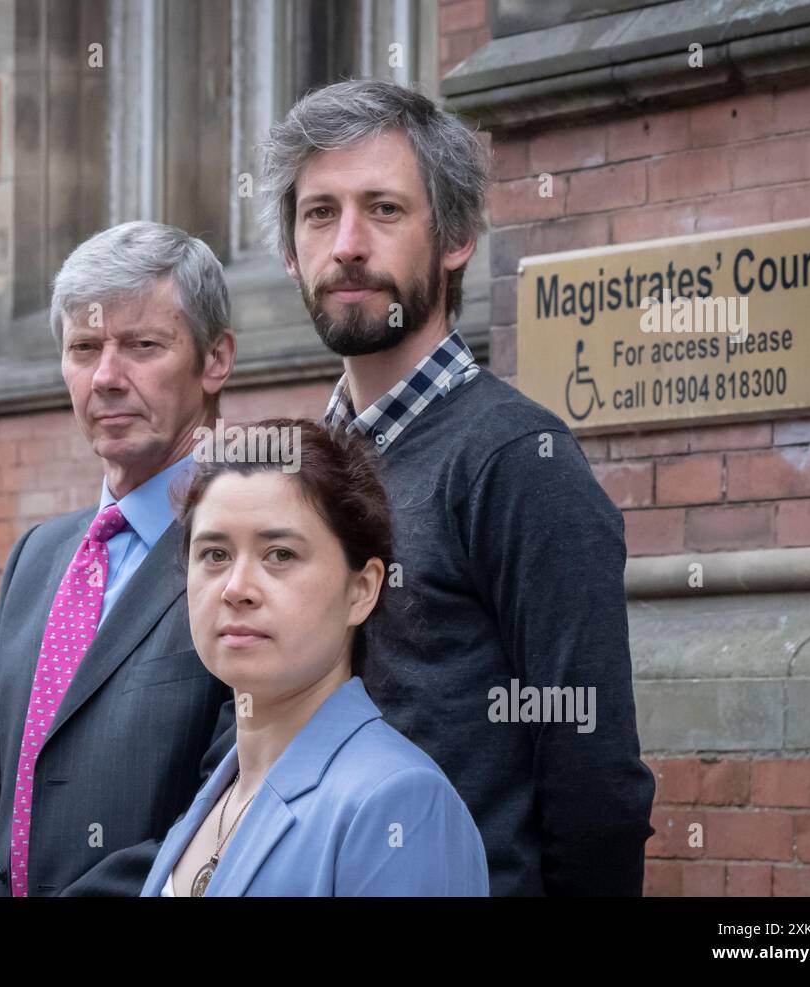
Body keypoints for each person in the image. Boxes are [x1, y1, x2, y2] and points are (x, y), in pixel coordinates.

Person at [258, 78, 655, 895]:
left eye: (385, 209)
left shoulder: (518, 461)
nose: (349, 245)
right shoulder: (300, 471)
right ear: (290, 251)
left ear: (458, 236)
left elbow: (597, 785)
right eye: (320, 213)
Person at [0, 221, 239, 896]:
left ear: (215, 359)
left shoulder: (247, 556)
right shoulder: (38, 556)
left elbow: (224, 807)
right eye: (84, 348)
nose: (105, 377)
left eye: (142, 346)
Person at [143, 418, 488, 897]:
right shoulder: (213, 797)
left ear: (361, 589)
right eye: (215, 554)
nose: (236, 588)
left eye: (280, 554)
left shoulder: (398, 802)